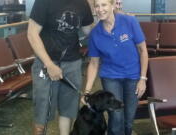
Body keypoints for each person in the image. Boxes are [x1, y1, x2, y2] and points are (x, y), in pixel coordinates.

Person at [27, 0, 93, 134]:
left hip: (72, 62)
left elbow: (89, 31)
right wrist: (49, 64)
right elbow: (32, 34)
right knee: (42, 110)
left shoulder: (83, 3)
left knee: (68, 109)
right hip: (46, 63)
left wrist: (112, 16)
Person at [83, 0, 148, 134]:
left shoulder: (130, 21)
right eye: (97, 6)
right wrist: (87, 91)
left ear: (113, 5)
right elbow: (94, 64)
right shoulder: (95, 33)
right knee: (116, 116)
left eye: (104, 5)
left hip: (133, 76)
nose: (100, 9)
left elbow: (143, 51)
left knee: (129, 119)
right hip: (111, 77)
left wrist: (143, 78)